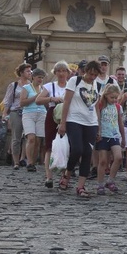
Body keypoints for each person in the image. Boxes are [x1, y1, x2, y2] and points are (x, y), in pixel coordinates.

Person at [57, 60, 101, 197]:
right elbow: (67, 102)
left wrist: (98, 126)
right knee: (77, 149)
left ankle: (81, 186)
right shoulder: (75, 81)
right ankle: (67, 173)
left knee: (87, 153)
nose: (92, 77)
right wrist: (63, 123)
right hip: (74, 120)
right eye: (90, 74)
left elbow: (96, 107)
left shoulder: (97, 85)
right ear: (85, 71)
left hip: (91, 122)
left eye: (95, 75)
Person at [36, 60, 70, 188]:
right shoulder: (50, 86)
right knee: (49, 145)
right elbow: (38, 100)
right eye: (59, 71)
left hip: (67, 115)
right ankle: (49, 176)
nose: (61, 73)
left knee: (66, 145)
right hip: (53, 114)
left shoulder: (71, 86)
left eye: (63, 71)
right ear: (55, 73)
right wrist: (51, 98)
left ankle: (64, 175)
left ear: (67, 73)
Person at [95, 84, 124, 195]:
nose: (114, 100)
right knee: (102, 161)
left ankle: (110, 180)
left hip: (114, 135)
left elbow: (120, 123)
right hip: (103, 135)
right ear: (106, 95)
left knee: (118, 157)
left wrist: (123, 137)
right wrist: (98, 131)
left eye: (116, 97)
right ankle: (100, 183)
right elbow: (97, 118)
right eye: (112, 97)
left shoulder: (117, 107)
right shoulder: (101, 105)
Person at [2, 63, 32, 170]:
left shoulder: (32, 85)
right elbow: (8, 100)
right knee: (16, 137)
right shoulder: (14, 85)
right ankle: (15, 161)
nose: (30, 73)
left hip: (28, 112)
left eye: (30, 71)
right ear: (21, 73)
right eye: (28, 71)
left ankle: (23, 158)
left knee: (28, 136)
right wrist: (5, 113)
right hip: (16, 112)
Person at [20, 68, 47, 173]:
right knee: (31, 138)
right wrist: (36, 97)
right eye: (39, 77)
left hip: (41, 114)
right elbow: (22, 103)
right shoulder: (26, 88)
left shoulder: (44, 89)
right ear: (33, 77)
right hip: (29, 113)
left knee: (38, 140)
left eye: (42, 78)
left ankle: (33, 162)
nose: (40, 79)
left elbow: (46, 103)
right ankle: (29, 162)